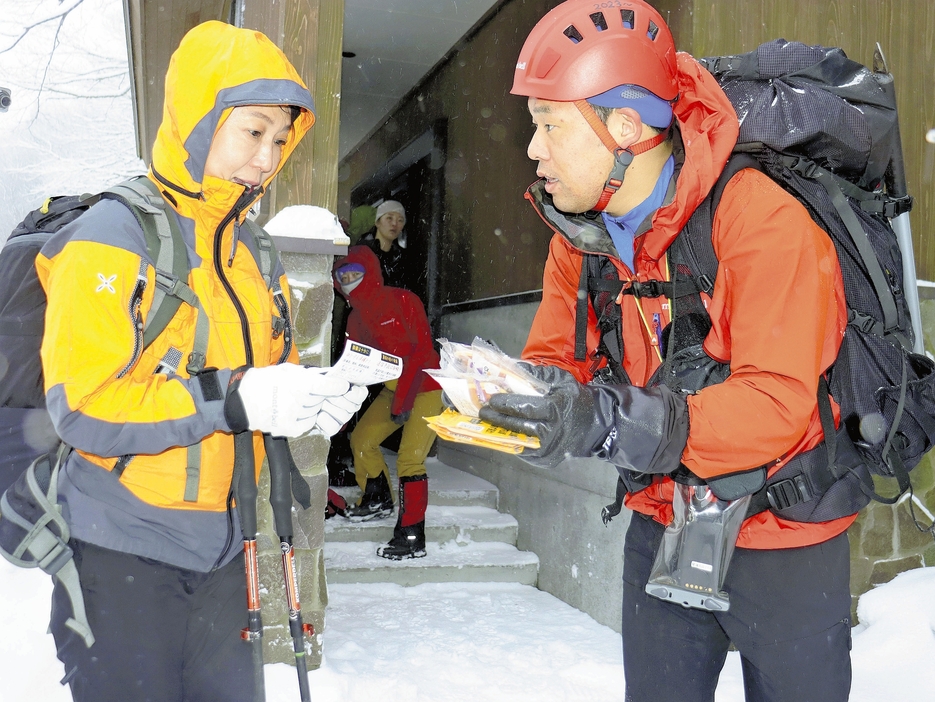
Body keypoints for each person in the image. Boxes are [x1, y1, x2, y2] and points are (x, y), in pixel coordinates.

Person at [478, 2, 853, 701]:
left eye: (549, 125)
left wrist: (607, 419)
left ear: (624, 128)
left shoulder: (760, 218)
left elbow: (772, 407)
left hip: (784, 536)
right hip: (662, 522)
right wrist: (526, 398)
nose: (533, 150)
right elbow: (559, 360)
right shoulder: (578, 241)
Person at [36, 21, 366, 701]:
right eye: (252, 131)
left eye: (280, 139)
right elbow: (85, 405)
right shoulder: (110, 238)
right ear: (199, 117)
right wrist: (234, 399)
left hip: (226, 543)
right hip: (119, 551)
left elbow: (263, 373)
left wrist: (313, 398)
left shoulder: (251, 252)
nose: (267, 157)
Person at [333, 245, 443, 559]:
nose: (351, 279)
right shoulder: (355, 318)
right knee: (362, 440)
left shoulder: (404, 301)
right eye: (344, 274)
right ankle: (378, 498)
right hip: (393, 390)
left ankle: (411, 535)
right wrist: (340, 409)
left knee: (410, 461)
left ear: (372, 272)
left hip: (425, 388)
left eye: (357, 272)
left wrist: (404, 402)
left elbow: (420, 354)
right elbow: (355, 366)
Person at [360, 199, 413, 291]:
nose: (394, 224)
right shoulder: (361, 252)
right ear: (377, 222)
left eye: (400, 220)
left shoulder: (403, 259)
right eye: (389, 218)